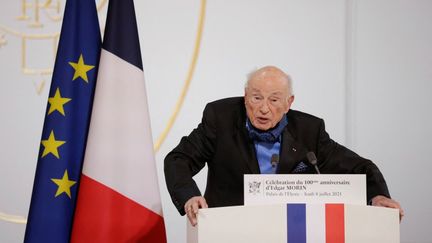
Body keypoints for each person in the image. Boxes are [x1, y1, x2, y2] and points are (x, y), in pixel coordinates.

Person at [164, 66, 404, 226]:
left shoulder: (309, 131)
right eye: (256, 98)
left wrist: (378, 195)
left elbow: (359, 167)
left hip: (290, 232)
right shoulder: (221, 118)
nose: (264, 108)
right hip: (229, 229)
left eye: (274, 99)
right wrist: (190, 196)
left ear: (289, 103)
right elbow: (178, 159)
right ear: (245, 96)